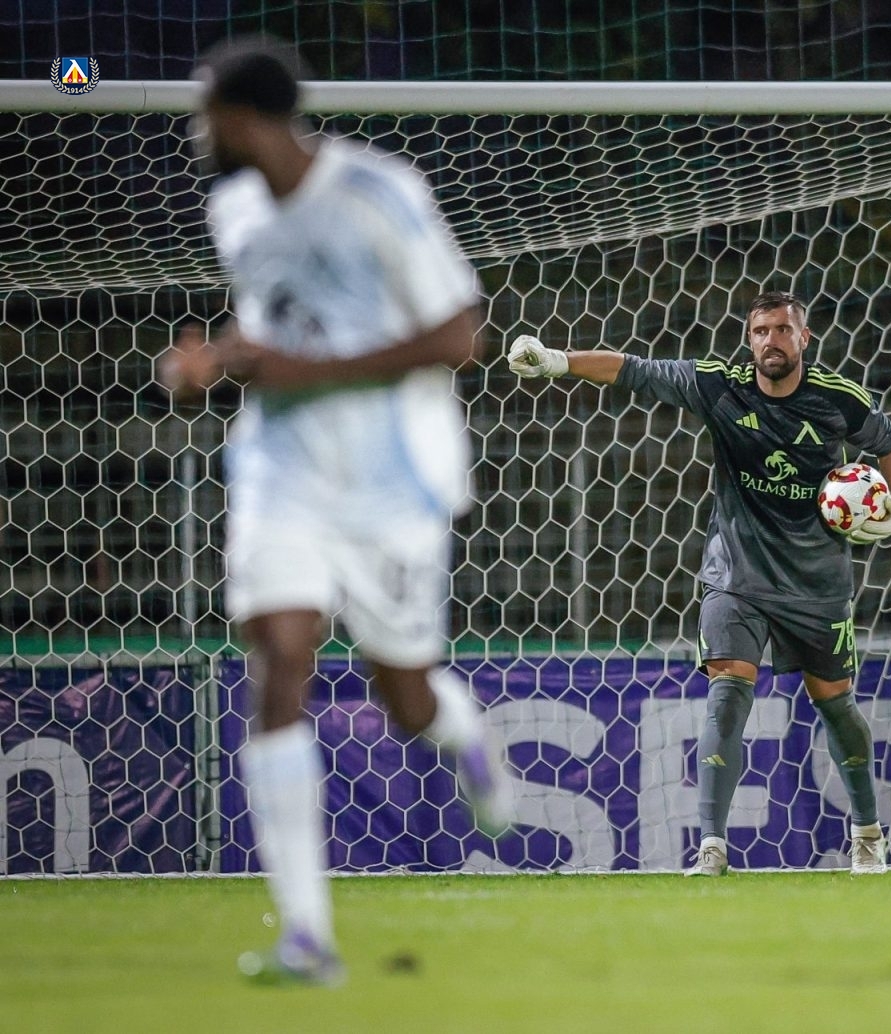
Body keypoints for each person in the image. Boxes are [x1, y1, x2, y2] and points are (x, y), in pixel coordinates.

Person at [158, 36, 515, 985]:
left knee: (405, 698)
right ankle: (307, 938)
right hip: (283, 472)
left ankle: (463, 732)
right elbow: (276, 324)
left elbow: (458, 335)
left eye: (207, 114)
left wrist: (308, 371)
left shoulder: (378, 193)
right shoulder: (234, 211)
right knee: (281, 656)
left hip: (392, 482)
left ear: (245, 118)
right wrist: (215, 363)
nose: (197, 132)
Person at [504, 290, 891, 876]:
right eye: (761, 331)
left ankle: (867, 833)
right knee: (727, 693)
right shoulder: (721, 385)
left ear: (804, 338)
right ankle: (712, 847)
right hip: (736, 576)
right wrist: (556, 361)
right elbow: (634, 370)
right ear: (749, 340)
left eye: (783, 329)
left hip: (817, 581)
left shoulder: (838, 398)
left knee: (835, 704)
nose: (771, 341)